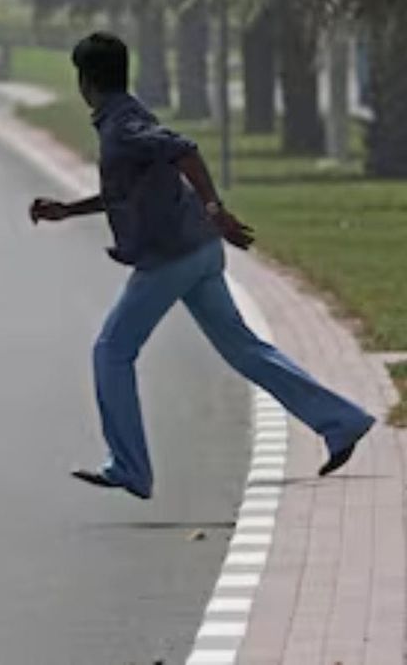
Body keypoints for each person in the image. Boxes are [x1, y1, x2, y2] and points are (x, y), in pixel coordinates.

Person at [29, 33, 375, 500]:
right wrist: (68, 210)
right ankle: (342, 422)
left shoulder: (122, 127)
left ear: (85, 81)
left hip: (172, 257)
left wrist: (217, 211)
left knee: (111, 351)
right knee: (245, 349)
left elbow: (185, 150)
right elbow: (128, 191)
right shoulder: (125, 117)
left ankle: (131, 468)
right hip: (197, 251)